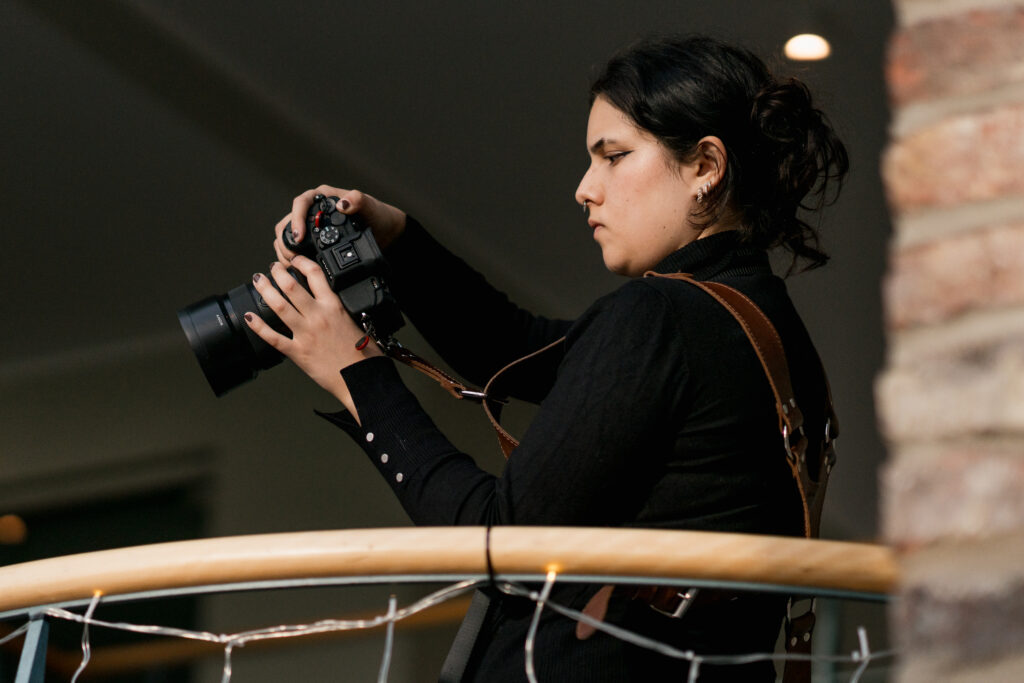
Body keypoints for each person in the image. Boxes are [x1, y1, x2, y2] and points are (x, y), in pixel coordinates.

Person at [244, 34, 847, 683]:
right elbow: (516, 348)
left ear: (705, 165)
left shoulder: (661, 318)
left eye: (613, 156)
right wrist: (396, 238)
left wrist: (359, 377)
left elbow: (502, 544)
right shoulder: (761, 329)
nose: (585, 188)